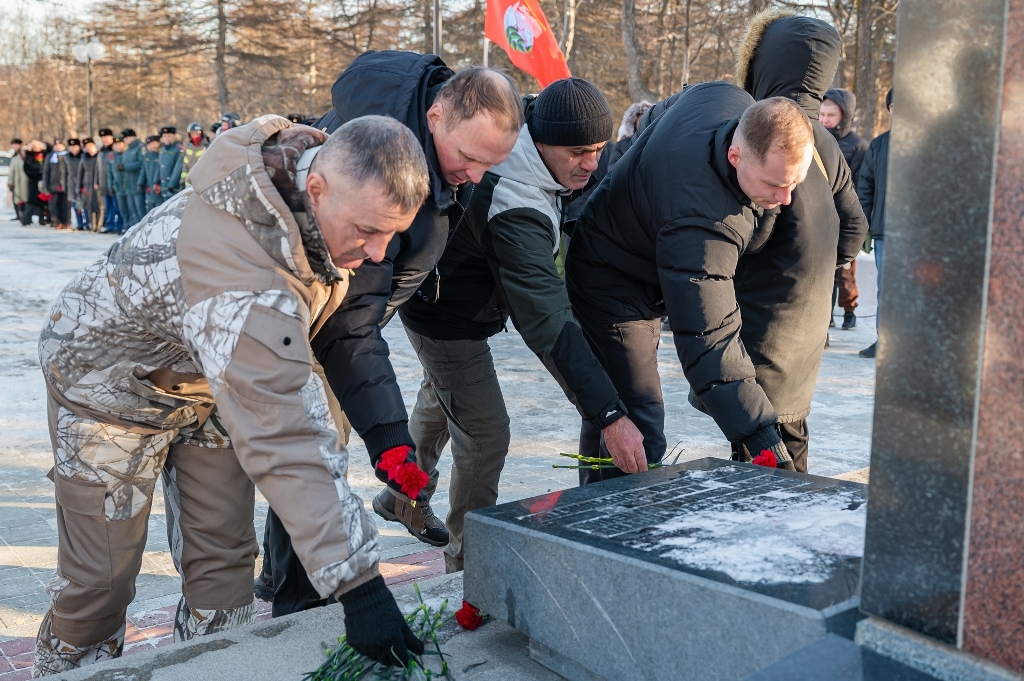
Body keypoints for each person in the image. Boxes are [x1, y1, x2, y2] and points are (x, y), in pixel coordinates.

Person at [33, 114, 431, 676]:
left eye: (393, 234)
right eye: (368, 230)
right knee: (100, 584)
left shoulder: (313, 202)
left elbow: (296, 370)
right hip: (107, 390)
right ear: (316, 188)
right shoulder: (237, 256)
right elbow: (284, 427)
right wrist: (360, 586)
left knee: (223, 577)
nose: (376, 252)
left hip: (206, 382)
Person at [258, 53, 522, 616]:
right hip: (310, 322)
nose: (475, 175)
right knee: (315, 449)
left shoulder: (444, 162)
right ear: (435, 116)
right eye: (470, 158)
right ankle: (296, 602)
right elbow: (351, 324)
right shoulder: (385, 173)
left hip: (347, 319)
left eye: (488, 166)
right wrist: (392, 442)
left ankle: (281, 576)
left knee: (322, 441)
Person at [396, 77, 644, 571]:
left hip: (456, 298)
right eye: (578, 152)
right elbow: (546, 320)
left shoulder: (530, 123)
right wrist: (609, 415)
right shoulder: (514, 200)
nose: (592, 164)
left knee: (447, 395)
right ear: (544, 141)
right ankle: (468, 566)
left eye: (598, 149)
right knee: (485, 432)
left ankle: (402, 493)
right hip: (443, 313)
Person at [567, 87, 818, 480]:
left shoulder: (725, 97)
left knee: (613, 409)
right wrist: (760, 434)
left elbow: (655, 119)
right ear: (735, 156)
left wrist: (646, 185)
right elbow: (709, 338)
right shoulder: (704, 221)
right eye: (774, 184)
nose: (785, 199)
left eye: (793, 183)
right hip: (610, 280)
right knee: (639, 423)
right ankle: (615, 532)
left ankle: (584, 515)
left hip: (635, 252)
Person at [728, 11, 868, 472]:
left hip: (762, 323)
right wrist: (819, 268)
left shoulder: (763, 132)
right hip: (806, 324)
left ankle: (770, 537)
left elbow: (751, 227)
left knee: (765, 449)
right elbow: (854, 224)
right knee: (790, 432)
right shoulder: (824, 140)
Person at [821, 87, 869, 331]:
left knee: (846, 271)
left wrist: (858, 220)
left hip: (845, 217)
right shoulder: (816, 138)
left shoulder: (858, 146)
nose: (825, 120)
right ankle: (824, 315)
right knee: (823, 272)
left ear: (845, 116)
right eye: (822, 114)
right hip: (820, 218)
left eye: (831, 115)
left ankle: (849, 310)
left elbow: (862, 183)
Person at [857, 88, 893, 359]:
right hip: (884, 231)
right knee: (886, 288)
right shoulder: (879, 145)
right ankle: (885, 340)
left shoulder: (930, 143)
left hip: (917, 234)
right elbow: (865, 187)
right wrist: (865, 226)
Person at [96, 128, 122, 233]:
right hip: (103, 183)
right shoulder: (101, 151)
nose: (104, 139)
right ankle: (110, 225)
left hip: (114, 183)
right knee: (108, 206)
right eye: (102, 137)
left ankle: (119, 225)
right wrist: (96, 181)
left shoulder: (115, 149)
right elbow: (97, 168)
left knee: (117, 206)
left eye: (106, 137)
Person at [118, 129, 146, 227]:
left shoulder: (140, 148)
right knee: (132, 210)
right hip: (129, 186)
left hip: (137, 183)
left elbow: (141, 163)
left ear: (134, 137)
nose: (127, 140)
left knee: (141, 211)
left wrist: (126, 167)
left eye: (129, 137)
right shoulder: (127, 151)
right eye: (125, 138)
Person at [76, 138, 102, 230]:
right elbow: (80, 173)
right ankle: (92, 225)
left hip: (98, 185)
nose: (89, 148)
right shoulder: (84, 158)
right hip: (86, 185)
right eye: (86, 147)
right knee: (88, 206)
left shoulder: (99, 156)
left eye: (90, 146)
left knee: (98, 206)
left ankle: (99, 225)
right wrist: (78, 186)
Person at [42, 140, 69, 229]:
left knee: (65, 205)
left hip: (66, 185)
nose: (57, 146)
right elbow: (46, 172)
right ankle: (57, 221)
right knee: (54, 205)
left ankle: (67, 222)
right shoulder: (50, 156)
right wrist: (45, 186)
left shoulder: (68, 155)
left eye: (60, 144)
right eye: (56, 144)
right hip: (53, 185)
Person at [60, 139, 86, 230]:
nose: (73, 148)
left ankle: (87, 222)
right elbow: (64, 172)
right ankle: (79, 223)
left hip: (83, 182)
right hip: (71, 183)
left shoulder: (84, 156)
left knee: (85, 204)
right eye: (71, 147)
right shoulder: (66, 157)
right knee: (75, 205)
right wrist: (64, 185)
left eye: (75, 146)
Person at [21, 141, 46, 226]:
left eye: (37, 146)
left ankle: (42, 219)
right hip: (33, 181)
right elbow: (27, 168)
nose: (35, 148)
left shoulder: (44, 155)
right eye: (33, 146)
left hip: (43, 181)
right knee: (31, 202)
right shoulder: (29, 156)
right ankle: (26, 220)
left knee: (42, 201)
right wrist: (36, 172)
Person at [157, 126, 185, 203]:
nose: (167, 138)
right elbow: (159, 166)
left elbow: (178, 169)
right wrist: (156, 181)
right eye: (165, 136)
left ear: (174, 136)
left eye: (169, 136)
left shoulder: (178, 149)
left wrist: (171, 184)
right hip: (164, 187)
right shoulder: (162, 150)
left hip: (174, 188)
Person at [179, 122, 208, 186]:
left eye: (197, 133)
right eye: (193, 133)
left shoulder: (206, 147)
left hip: (201, 184)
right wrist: (182, 181)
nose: (195, 135)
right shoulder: (189, 148)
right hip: (188, 184)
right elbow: (185, 166)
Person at [139, 134, 162, 212]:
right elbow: (143, 171)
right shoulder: (147, 157)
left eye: (154, 143)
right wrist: (140, 183)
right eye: (150, 144)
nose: (152, 146)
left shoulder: (161, 155)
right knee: (150, 210)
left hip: (159, 188)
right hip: (149, 188)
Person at [7, 139, 24, 221]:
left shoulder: (23, 155)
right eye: (13, 144)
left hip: (22, 181)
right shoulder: (14, 155)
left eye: (16, 144)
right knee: (15, 198)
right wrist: (10, 182)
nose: (14, 146)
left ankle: (23, 215)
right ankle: (18, 215)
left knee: (22, 198)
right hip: (15, 180)